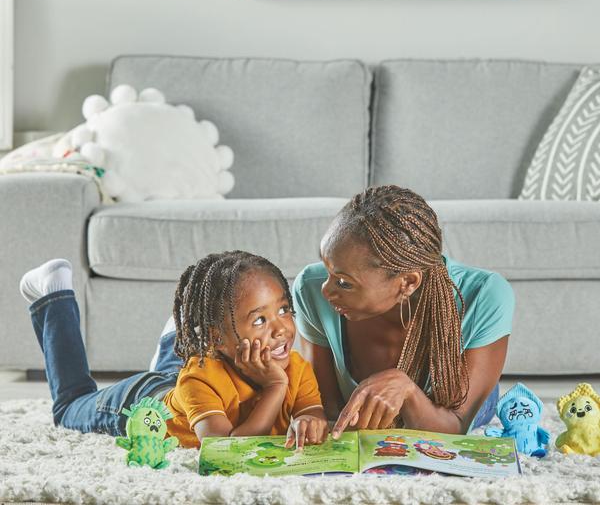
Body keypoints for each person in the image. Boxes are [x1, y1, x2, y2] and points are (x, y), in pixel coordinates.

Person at [20, 251, 327, 450]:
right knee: (69, 408)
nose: (281, 329)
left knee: (184, 368)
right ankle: (54, 293)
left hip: (189, 374)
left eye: (284, 310)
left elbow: (311, 411)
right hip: (140, 404)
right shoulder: (201, 380)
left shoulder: (296, 368)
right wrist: (275, 387)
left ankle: (177, 337)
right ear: (217, 337)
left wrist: (309, 420)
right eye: (260, 319)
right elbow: (225, 448)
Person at [292, 185, 515, 438]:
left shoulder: (483, 294)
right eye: (327, 269)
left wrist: (407, 391)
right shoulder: (309, 288)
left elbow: (456, 426)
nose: (325, 290)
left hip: (453, 403)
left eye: (344, 283)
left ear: (408, 282)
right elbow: (327, 406)